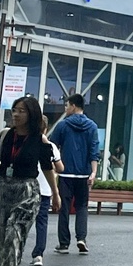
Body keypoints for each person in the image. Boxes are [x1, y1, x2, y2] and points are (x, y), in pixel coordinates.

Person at [0, 95, 61, 266]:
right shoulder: (5, 135)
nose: (16, 114)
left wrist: (55, 194)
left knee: (13, 235)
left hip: (27, 193)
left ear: (32, 114)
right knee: (5, 243)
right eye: (14, 110)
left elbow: (47, 168)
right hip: (4, 191)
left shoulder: (39, 140)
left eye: (21, 111)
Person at [50, 92, 102, 254]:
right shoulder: (92, 126)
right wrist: (93, 172)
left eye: (67, 106)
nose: (65, 109)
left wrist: (54, 167)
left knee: (64, 208)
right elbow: (94, 151)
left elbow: (52, 147)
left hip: (65, 173)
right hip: (84, 174)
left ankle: (64, 244)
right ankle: (81, 238)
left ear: (73, 106)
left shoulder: (62, 125)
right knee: (82, 207)